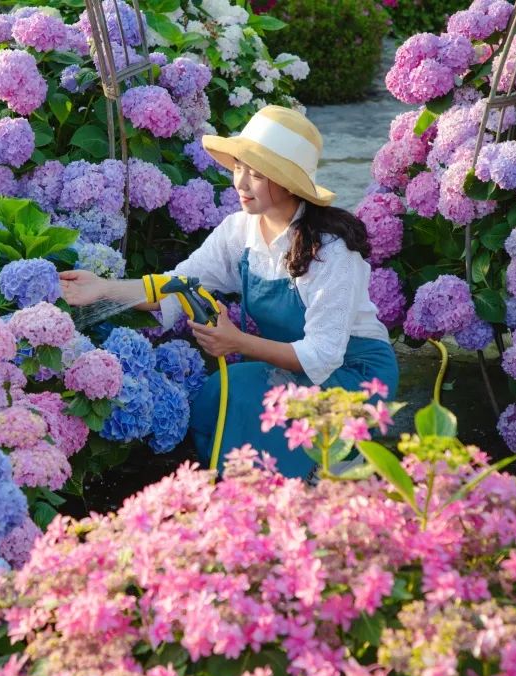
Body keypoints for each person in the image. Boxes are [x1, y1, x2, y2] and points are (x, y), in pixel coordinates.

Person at [59, 105, 398, 478]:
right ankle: (240, 491)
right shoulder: (241, 231)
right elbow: (180, 284)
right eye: (238, 168)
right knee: (220, 396)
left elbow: (322, 355)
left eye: (256, 173)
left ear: (287, 182)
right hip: (287, 364)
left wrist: (236, 342)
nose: (240, 183)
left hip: (353, 373)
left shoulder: (331, 252)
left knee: (252, 402)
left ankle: (309, 482)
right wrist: (104, 288)